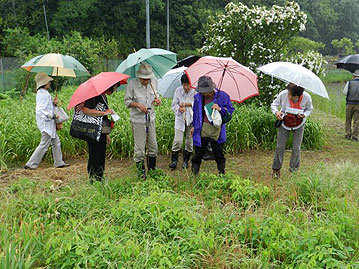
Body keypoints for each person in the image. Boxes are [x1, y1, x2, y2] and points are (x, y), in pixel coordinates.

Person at [190, 76, 235, 175]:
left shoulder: (222, 96)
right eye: (203, 91)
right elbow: (195, 112)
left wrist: (220, 109)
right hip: (201, 128)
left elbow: (230, 111)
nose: (205, 93)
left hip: (217, 130)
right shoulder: (198, 97)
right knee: (198, 154)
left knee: (218, 154)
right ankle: (194, 176)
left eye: (206, 91)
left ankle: (221, 175)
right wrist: (193, 126)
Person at [24, 72, 69, 169]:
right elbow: (40, 110)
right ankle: (31, 164)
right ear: (44, 82)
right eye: (48, 81)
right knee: (44, 144)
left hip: (49, 123)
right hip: (46, 123)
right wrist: (51, 116)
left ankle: (59, 162)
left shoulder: (44, 93)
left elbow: (46, 107)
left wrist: (53, 103)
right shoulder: (43, 94)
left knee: (56, 142)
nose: (50, 83)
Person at [124, 63, 161, 179]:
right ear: (139, 77)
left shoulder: (153, 81)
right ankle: (141, 173)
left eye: (148, 79)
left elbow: (157, 96)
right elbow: (127, 101)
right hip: (138, 119)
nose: (146, 81)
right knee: (139, 148)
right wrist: (138, 105)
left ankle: (152, 170)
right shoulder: (132, 84)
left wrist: (157, 100)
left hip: (151, 118)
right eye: (144, 79)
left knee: (153, 146)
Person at [76, 84, 117, 182]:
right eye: (114, 88)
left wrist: (107, 133)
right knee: (94, 154)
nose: (114, 91)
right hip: (92, 129)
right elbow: (85, 110)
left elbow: (104, 116)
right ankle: (93, 179)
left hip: (101, 130)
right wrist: (104, 113)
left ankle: (100, 177)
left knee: (101, 154)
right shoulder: (92, 96)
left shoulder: (103, 96)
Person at [271, 83, 313, 178]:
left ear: (299, 95)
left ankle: (294, 169)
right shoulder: (283, 94)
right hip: (284, 123)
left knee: (296, 148)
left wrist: (304, 115)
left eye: (292, 95)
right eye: (289, 93)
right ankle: (276, 169)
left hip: (299, 124)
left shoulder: (307, 97)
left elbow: (309, 109)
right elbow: (274, 105)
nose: (289, 96)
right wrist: (276, 112)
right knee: (280, 147)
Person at [169, 74, 196, 169]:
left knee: (189, 142)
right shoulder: (178, 91)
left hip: (191, 119)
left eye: (188, 85)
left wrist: (187, 104)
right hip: (180, 118)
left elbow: (197, 104)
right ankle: (174, 161)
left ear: (191, 84)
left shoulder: (194, 91)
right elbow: (174, 105)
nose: (186, 87)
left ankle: (186, 161)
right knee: (178, 141)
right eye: (184, 85)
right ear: (182, 84)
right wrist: (179, 108)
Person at [343, 69, 359, 141]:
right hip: (358, 104)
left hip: (349, 103)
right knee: (357, 121)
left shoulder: (349, 82)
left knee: (348, 119)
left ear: (354, 76)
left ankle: (348, 134)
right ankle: (354, 137)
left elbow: (345, 93)